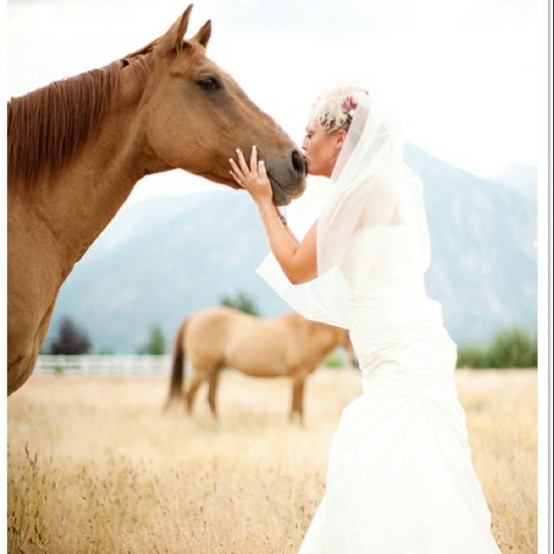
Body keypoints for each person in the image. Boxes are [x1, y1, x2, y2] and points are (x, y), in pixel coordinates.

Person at [229, 85, 501, 553]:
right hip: (400, 352)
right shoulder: (376, 186)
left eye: (310, 132)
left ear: (340, 139)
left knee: (372, 466)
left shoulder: (360, 190)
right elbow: (310, 257)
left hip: (399, 359)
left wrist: (260, 200)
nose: (303, 142)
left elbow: (296, 266)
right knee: (408, 475)